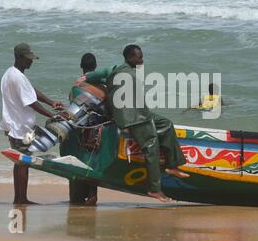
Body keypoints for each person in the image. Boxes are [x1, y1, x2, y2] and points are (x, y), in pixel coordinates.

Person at [77, 45, 189, 202]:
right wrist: (85, 80)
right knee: (151, 147)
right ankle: (155, 189)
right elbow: (97, 76)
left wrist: (88, 78)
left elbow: (99, 76)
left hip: (141, 113)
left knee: (166, 124)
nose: (142, 60)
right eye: (139, 57)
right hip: (132, 117)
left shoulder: (116, 69)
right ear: (130, 58)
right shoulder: (120, 70)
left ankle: (172, 165)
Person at [0, 43, 64, 205]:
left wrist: (51, 102)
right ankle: (21, 199)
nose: (31, 61)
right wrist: (52, 116)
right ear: (19, 57)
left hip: (16, 126)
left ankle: (20, 198)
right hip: (21, 128)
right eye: (28, 59)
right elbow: (31, 102)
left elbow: (31, 91)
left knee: (22, 162)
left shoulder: (10, 73)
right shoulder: (17, 77)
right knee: (23, 162)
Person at [66, 53, 99, 206]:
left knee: (76, 161)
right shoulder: (101, 86)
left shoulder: (76, 87)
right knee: (92, 162)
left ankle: (75, 198)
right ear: (96, 67)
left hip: (79, 131)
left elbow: (73, 106)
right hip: (96, 130)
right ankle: (92, 196)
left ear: (81, 66)